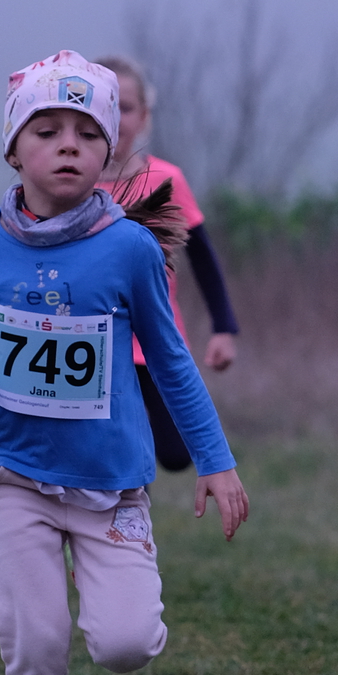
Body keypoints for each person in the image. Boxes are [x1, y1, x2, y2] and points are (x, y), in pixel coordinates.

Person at [0, 51, 249, 675]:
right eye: (47, 130)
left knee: (125, 644)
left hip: (110, 485)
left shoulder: (131, 249)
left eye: (86, 132)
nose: (67, 144)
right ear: (14, 148)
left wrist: (215, 459)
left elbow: (171, 361)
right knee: (34, 643)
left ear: (109, 150)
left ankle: (118, 570)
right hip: (17, 480)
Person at [94, 53, 241, 473]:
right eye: (104, 107)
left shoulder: (166, 180)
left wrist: (224, 328)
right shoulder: (69, 187)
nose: (115, 119)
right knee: (113, 453)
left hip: (155, 338)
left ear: (144, 116)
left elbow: (202, 256)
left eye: (125, 108)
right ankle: (125, 512)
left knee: (176, 454)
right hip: (91, 341)